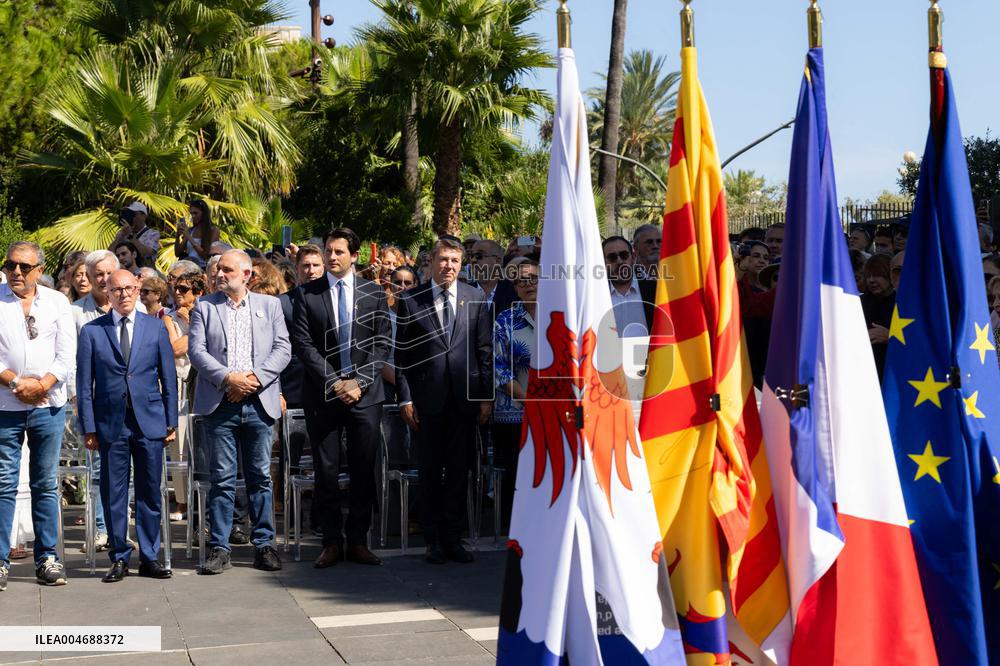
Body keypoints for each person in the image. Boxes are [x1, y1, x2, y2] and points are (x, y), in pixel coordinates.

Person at [291, 228, 392, 568]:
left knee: (364, 469)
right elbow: (303, 344)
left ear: (355, 255)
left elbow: (382, 342)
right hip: (324, 393)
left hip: (365, 395)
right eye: (328, 251)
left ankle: (358, 540)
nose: (331, 257)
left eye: (338, 251)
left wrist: (358, 382)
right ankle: (331, 541)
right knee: (326, 470)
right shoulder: (307, 294)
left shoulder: (373, 292)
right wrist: (335, 382)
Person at [188, 250, 290, 575]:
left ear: (247, 275)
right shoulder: (204, 306)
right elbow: (196, 352)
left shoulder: (270, 306)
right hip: (221, 403)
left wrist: (254, 379)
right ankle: (220, 547)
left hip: (259, 402)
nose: (220, 274)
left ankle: (264, 545)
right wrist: (228, 378)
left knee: (260, 476)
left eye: (228, 270)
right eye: (219, 269)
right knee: (222, 478)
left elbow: (283, 349)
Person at [395, 237, 493, 565]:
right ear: (431, 262)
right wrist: (405, 399)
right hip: (427, 402)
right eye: (443, 259)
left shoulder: (475, 297)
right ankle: (433, 540)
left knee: (459, 472)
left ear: (461, 264)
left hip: (464, 402)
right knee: (430, 472)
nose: (448, 266)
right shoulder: (411, 300)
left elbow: (484, 351)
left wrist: (485, 398)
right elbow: (402, 356)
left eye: (454, 260)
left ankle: (454, 537)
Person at [76, 270, 176, 582]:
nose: (124, 294)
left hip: (149, 421)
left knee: (149, 491)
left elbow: (169, 378)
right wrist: (88, 427)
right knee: (113, 493)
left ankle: (149, 557)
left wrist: (171, 421)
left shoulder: (156, 327)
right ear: (107, 292)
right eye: (117, 289)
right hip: (111, 424)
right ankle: (119, 556)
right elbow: (84, 386)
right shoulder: (92, 332)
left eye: (129, 288)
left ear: (138, 289)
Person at [0, 241, 76, 590]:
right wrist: (17, 383)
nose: (16, 272)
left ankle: (47, 559)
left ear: (39, 271)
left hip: (48, 404)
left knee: (45, 483)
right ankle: (1, 561)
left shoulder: (57, 302)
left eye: (24, 267)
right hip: (6, 403)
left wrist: (42, 385)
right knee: (4, 483)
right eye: (10, 265)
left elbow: (67, 354)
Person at [71, 250, 147, 552]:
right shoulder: (76, 313)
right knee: (101, 473)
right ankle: (104, 530)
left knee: (133, 475)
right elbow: (74, 363)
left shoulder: (136, 306)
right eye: (98, 274)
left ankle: (127, 531)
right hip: (95, 407)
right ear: (88, 278)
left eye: (108, 273)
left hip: (135, 409)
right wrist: (81, 402)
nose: (104, 279)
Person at [492, 258, 538, 530]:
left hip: (555, 411)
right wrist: (528, 400)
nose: (528, 285)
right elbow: (498, 368)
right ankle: (515, 532)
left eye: (534, 279)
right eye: (521, 281)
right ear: (515, 288)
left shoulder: (560, 316)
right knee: (516, 473)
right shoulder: (505, 320)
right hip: (515, 413)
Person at [164, 268, 205, 521]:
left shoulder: (208, 313)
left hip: (203, 384)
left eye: (184, 289)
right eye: (175, 288)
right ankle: (181, 500)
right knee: (179, 446)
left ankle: (201, 499)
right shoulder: (169, 318)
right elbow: (174, 349)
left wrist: (192, 325)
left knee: (201, 445)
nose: (177, 293)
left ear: (198, 293)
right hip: (180, 384)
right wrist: (196, 331)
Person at [602, 236, 656, 337]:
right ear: (603, 262)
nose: (619, 261)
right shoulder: (595, 296)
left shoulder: (655, 291)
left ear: (634, 257)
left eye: (624, 255)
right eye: (612, 257)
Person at [860, 253, 896, 381]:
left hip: (892, 372)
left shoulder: (904, 304)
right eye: (868, 276)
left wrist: (890, 337)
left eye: (877, 275)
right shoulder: (858, 303)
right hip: (865, 371)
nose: (871, 280)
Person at [175, 200, 220, 269]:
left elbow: (206, 256)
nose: (193, 216)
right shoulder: (191, 230)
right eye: (191, 213)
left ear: (204, 214)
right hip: (188, 267)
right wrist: (177, 236)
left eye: (196, 213)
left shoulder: (213, 231)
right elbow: (177, 253)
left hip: (203, 268)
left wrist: (189, 237)